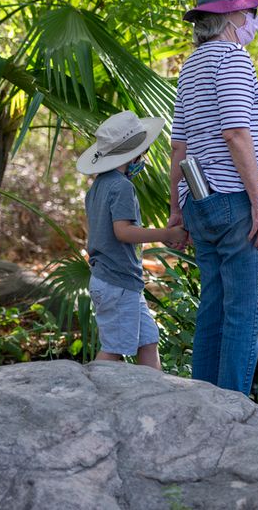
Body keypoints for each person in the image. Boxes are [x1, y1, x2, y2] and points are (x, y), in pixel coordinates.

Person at [168, 0, 258, 395]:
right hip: (236, 200)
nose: (254, 18)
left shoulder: (189, 68)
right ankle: (233, 417)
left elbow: (179, 146)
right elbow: (236, 133)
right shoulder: (231, 59)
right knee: (247, 314)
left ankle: (205, 413)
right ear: (230, 16)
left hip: (199, 201)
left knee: (213, 311)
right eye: (250, 11)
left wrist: (178, 209)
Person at [77, 111, 186, 368]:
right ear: (134, 155)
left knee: (148, 340)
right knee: (114, 349)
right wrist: (166, 234)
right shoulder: (122, 186)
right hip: (116, 282)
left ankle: (156, 394)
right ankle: (92, 397)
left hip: (120, 281)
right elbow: (123, 232)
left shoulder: (99, 186)